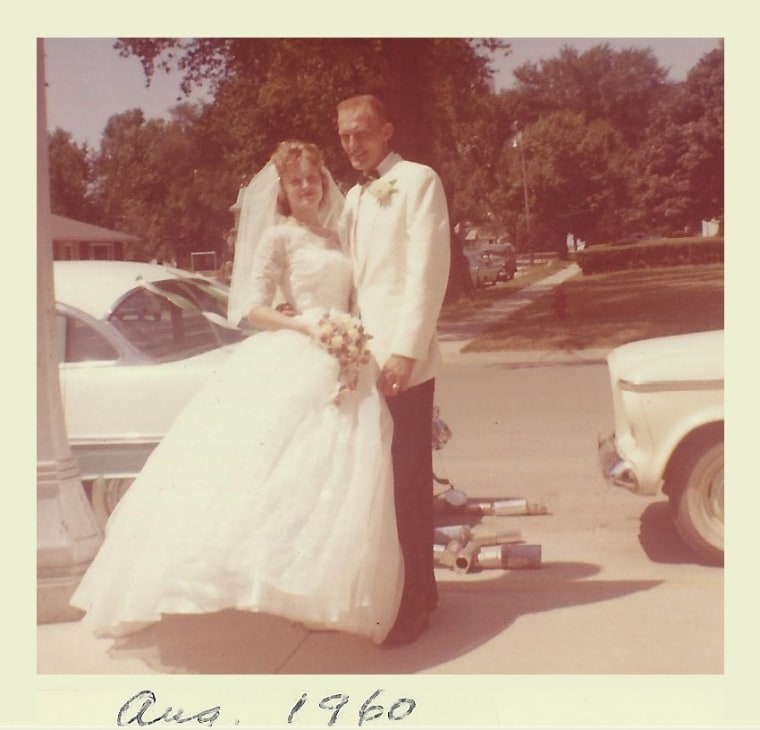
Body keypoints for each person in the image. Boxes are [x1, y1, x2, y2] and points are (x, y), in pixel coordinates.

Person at [70, 140, 404, 645]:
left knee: (333, 481)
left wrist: (346, 332)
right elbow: (251, 307)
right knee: (274, 476)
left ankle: (318, 588)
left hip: (344, 360)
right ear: (285, 192)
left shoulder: (338, 235)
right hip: (302, 351)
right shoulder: (278, 237)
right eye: (297, 182)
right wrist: (309, 327)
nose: (307, 187)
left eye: (313, 178)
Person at [337, 95, 451, 646]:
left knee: (407, 482)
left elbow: (428, 272)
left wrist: (406, 349)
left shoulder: (418, 181)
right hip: (363, 362)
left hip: (404, 362)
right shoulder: (353, 200)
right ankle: (414, 587)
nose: (353, 144)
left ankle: (415, 602)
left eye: (362, 133)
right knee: (380, 483)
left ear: (386, 130)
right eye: (344, 137)